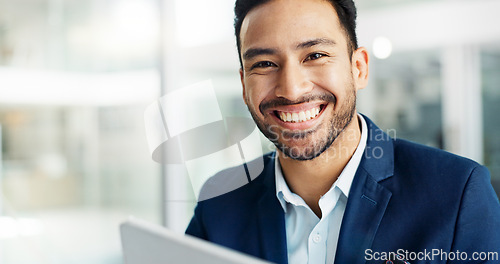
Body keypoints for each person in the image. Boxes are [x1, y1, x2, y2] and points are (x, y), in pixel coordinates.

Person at [185, 0, 500, 263]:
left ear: (358, 68)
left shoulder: (458, 194)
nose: (292, 89)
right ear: (243, 85)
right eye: (265, 64)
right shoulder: (219, 203)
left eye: (315, 56)